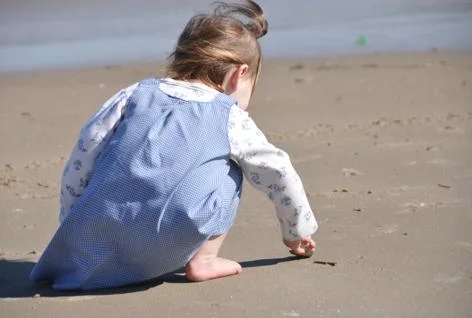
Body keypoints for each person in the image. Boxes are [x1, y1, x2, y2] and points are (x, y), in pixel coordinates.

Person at [30, 0, 318, 290]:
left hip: (99, 232)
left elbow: (88, 146)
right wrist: (296, 231)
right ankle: (204, 260)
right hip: (169, 241)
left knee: (110, 155)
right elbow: (277, 171)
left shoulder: (134, 94)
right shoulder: (228, 115)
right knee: (233, 170)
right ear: (238, 74)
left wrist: (71, 217)